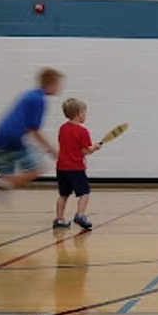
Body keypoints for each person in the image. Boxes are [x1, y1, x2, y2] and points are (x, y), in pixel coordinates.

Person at [0, 68, 63, 223]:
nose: (59, 88)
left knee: (5, 180)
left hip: (1, 135)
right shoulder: (39, 99)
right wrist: (50, 149)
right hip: (12, 137)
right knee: (37, 170)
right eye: (58, 84)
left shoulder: (29, 95)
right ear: (50, 84)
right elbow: (33, 129)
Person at [53, 97, 100, 230]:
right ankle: (80, 214)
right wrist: (94, 148)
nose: (85, 115)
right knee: (84, 193)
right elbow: (85, 150)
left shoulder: (62, 128)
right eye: (85, 112)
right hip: (76, 168)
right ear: (79, 113)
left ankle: (59, 219)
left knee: (63, 194)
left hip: (61, 167)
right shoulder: (82, 131)